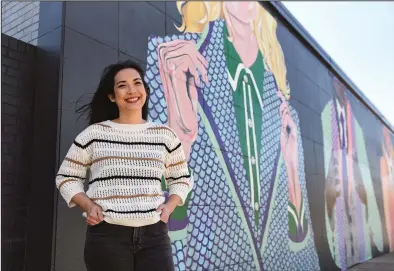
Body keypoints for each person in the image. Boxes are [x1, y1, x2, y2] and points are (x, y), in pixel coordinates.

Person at [145, 1, 319, 270]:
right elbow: (163, 235)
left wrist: (293, 172)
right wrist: (181, 140)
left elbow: (302, 249)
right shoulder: (174, 61)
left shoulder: (285, 110)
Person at [55, 60, 194, 271]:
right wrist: (89, 206)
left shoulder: (164, 135)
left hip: (154, 237)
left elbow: (181, 179)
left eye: (137, 83)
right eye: (122, 85)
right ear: (112, 96)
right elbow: (66, 177)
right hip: (107, 237)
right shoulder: (95, 134)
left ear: (145, 91)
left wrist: (170, 206)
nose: (132, 90)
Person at [322, 76, 383, 268]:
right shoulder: (326, 115)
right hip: (338, 190)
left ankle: (356, 253)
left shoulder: (355, 125)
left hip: (354, 192)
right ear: (333, 84)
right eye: (339, 83)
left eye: (344, 84)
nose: (343, 87)